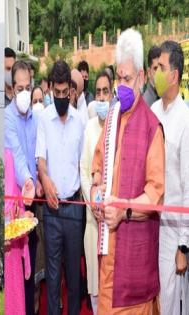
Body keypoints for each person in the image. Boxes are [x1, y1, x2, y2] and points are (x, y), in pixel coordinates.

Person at [91, 28, 165, 314]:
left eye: (128, 78)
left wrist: (125, 211)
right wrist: (96, 193)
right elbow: (97, 170)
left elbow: (155, 195)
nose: (122, 85)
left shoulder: (151, 128)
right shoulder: (111, 118)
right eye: (118, 77)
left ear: (143, 77)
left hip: (135, 266)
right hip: (108, 258)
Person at [36, 60, 84, 315]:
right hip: (52, 212)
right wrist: (45, 179)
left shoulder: (80, 121)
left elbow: (84, 165)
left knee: (74, 278)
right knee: (53, 279)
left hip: (75, 209)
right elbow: (40, 161)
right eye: (58, 93)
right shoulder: (43, 119)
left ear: (72, 92)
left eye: (66, 94)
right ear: (51, 89)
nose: (62, 98)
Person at [151, 40, 189, 315]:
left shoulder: (185, 120)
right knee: (157, 298)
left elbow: (188, 187)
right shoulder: (152, 113)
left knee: (172, 303)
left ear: (174, 75)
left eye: (161, 68)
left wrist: (183, 246)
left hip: (175, 230)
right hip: (152, 225)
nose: (156, 74)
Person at [5, 59, 42, 315]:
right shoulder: (7, 119)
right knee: (17, 272)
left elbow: (37, 155)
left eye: (28, 87)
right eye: (19, 89)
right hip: (15, 210)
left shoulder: (34, 117)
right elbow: (17, 156)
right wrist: (29, 180)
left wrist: (38, 179)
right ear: (11, 91)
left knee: (31, 269)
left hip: (32, 203)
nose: (24, 94)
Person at [80, 70, 113, 314]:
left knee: (111, 280)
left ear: (112, 94)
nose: (101, 97)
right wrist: (92, 202)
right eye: (98, 92)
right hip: (93, 219)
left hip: (113, 221)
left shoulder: (118, 125)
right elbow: (83, 169)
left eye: (106, 91)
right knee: (93, 280)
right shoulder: (90, 127)